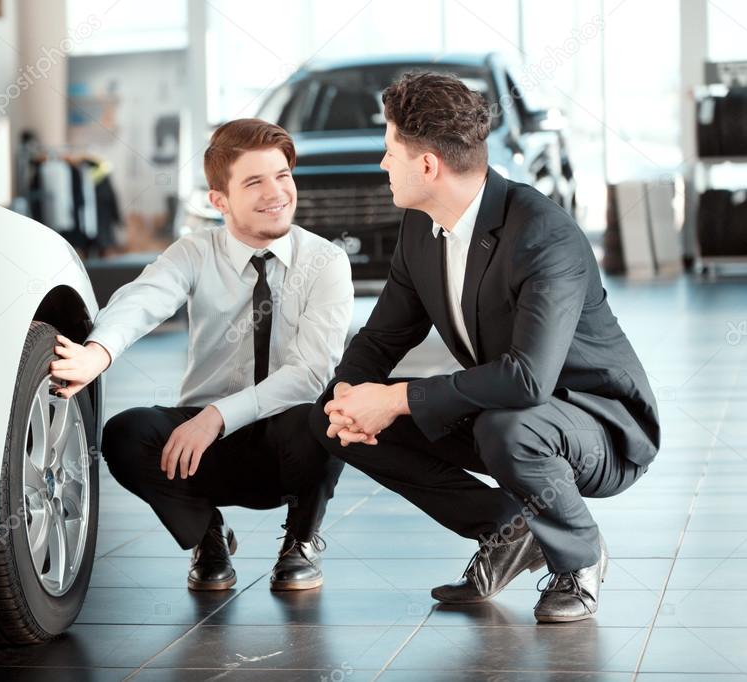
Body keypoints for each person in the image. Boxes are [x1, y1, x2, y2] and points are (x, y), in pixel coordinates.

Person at [310, 72, 659, 623]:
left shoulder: (542, 231)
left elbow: (528, 380)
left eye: (388, 151)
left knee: (507, 427)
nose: (382, 165)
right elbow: (382, 336)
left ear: (428, 165)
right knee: (329, 420)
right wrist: (347, 397)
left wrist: (397, 399)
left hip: (600, 425)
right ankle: (509, 530)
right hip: (509, 410)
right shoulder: (420, 228)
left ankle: (580, 555)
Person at [50, 118, 353, 591]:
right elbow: (142, 299)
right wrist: (98, 352)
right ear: (220, 201)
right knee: (126, 433)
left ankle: (301, 542)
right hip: (202, 452)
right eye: (254, 182)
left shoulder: (326, 263)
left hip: (286, 443)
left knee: (328, 412)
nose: (276, 193)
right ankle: (206, 535)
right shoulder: (195, 251)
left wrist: (217, 415)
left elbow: (309, 373)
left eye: (283, 176)